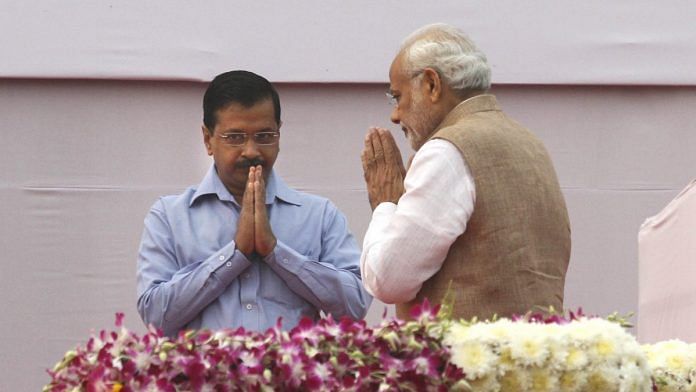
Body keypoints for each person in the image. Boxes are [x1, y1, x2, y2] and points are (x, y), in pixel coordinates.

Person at [360, 23, 570, 321]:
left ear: (432, 84)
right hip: (538, 357)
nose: (395, 115)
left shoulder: (446, 151)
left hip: (465, 362)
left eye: (398, 96)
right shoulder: (531, 144)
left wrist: (385, 205)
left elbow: (388, 280)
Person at [137, 70, 371, 336]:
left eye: (264, 136)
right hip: (204, 377)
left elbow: (356, 306)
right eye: (235, 138)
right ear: (207, 139)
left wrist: (276, 253)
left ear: (279, 135)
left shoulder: (319, 215)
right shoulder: (169, 216)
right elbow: (155, 316)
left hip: (292, 376)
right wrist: (234, 255)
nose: (251, 151)